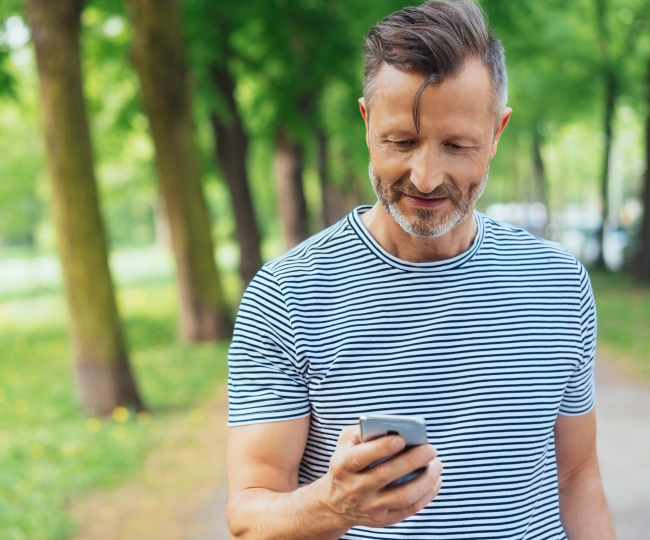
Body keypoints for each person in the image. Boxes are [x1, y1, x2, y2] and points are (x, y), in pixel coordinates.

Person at [224, 1, 617, 539]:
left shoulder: (559, 282)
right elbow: (248, 517)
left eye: (457, 145)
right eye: (401, 141)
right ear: (366, 122)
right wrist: (334, 505)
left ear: (497, 132)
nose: (426, 177)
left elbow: (577, 476)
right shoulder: (287, 294)